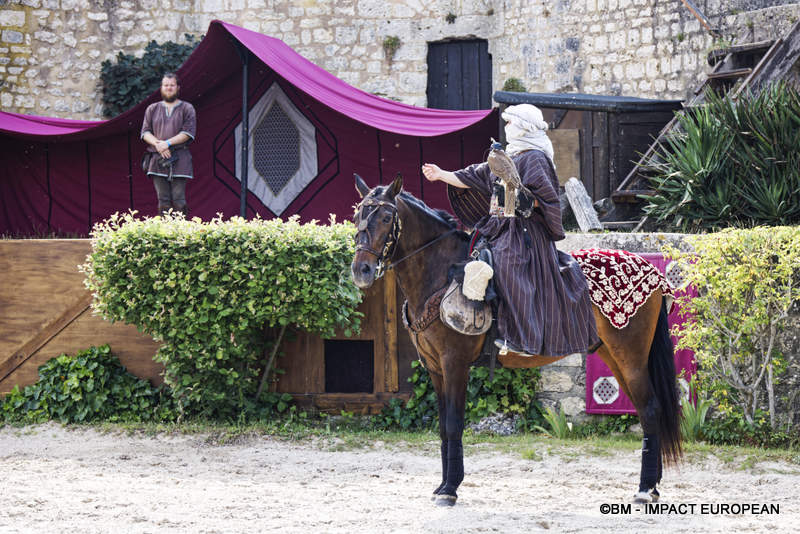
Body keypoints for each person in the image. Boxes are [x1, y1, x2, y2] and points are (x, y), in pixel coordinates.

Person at [422, 103, 598, 357]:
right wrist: (441, 174)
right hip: (500, 228)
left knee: (507, 264)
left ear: (524, 126)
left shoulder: (536, 158)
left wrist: (515, 199)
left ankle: (523, 339)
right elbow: (472, 176)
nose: (506, 128)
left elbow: (547, 200)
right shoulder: (506, 157)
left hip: (526, 234)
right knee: (471, 253)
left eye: (510, 122)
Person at [141, 72, 197, 215]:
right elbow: (145, 132)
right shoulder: (152, 109)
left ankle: (182, 235)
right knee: (163, 200)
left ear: (178, 87)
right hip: (157, 158)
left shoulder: (187, 108)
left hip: (180, 157)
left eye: (172, 85)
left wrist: (167, 143)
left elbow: (188, 132)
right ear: (161, 87)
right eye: (166, 85)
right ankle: (165, 235)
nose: (169, 88)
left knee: (179, 199)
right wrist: (159, 145)